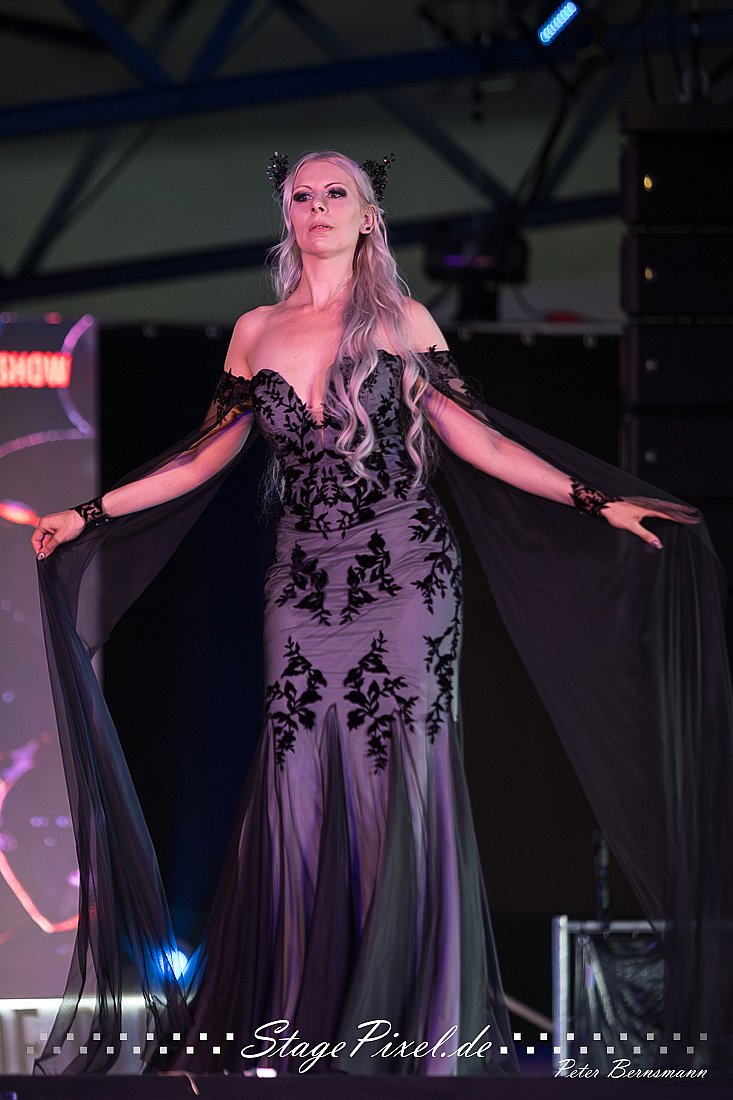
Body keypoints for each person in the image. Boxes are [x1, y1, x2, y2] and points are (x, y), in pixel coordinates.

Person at [30, 151, 732, 1077]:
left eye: (337, 194)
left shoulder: (403, 321)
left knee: (396, 776)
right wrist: (87, 514)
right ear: (286, 216)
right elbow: (199, 460)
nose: (317, 207)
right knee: (295, 779)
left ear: (368, 216)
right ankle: (301, 1025)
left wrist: (595, 500)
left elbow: (477, 441)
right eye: (301, 195)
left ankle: (410, 1025)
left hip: (404, 572)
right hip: (300, 581)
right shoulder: (254, 332)